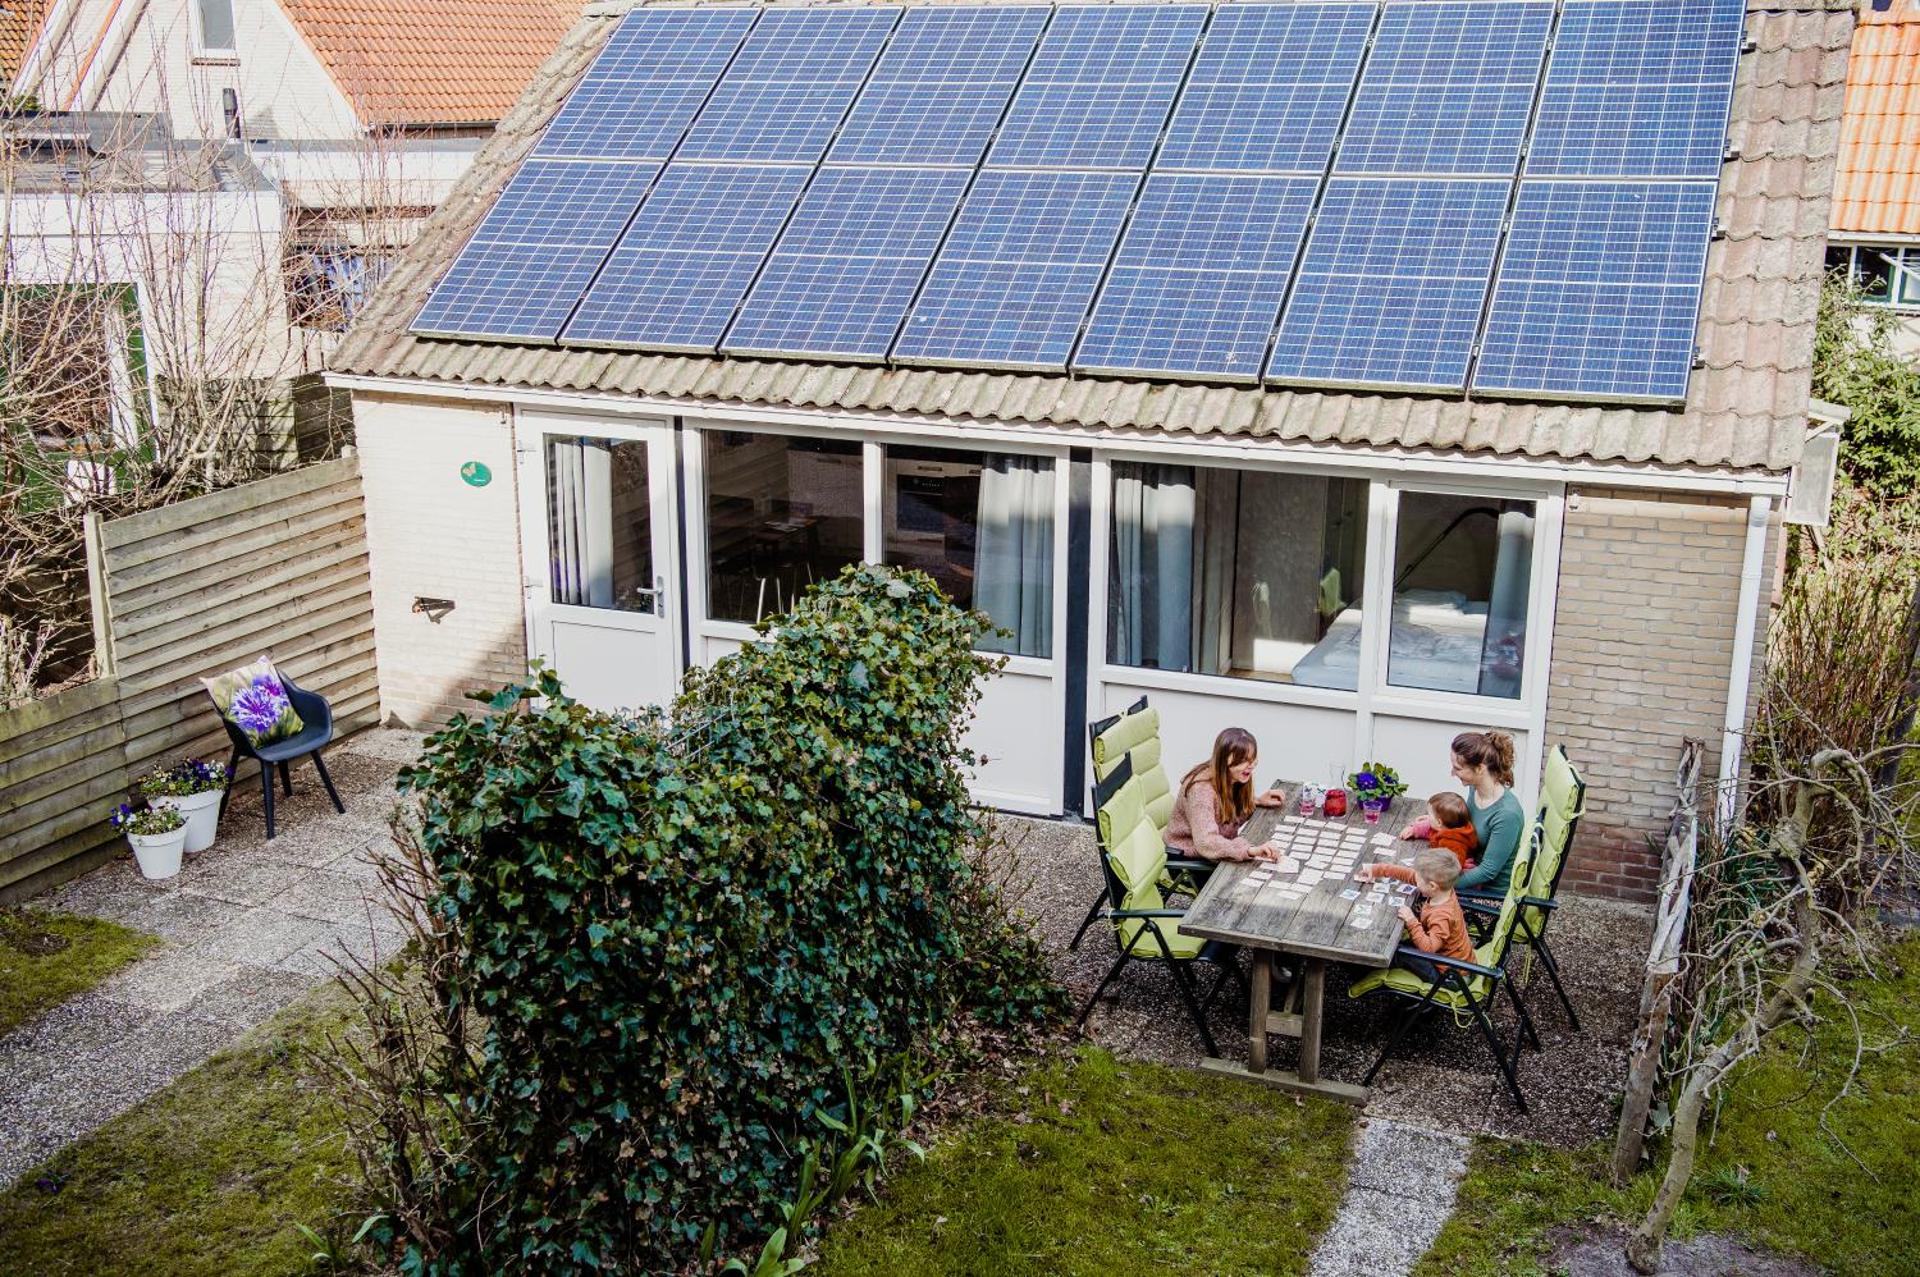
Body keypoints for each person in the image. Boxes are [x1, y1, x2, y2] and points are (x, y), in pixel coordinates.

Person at [1400, 729, 1527, 896]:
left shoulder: (1507, 815)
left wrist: (1439, 883)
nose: (1452, 773)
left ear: (1480, 768)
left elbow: (1487, 871)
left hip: (1487, 895)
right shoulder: (1475, 790)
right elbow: (1464, 825)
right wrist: (1443, 821)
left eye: (1458, 768)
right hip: (1464, 869)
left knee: (1407, 899)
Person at [1166, 727, 1288, 863]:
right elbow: (1207, 842)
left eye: (1253, 759)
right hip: (1189, 860)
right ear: (1224, 761)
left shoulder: (1232, 778)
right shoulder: (1200, 790)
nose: (1250, 766)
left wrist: (1257, 801)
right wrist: (1249, 850)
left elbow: (1229, 821)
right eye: (1243, 761)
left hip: (1217, 851)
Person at [1358, 849, 1474, 983]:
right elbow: (1410, 875)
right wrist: (1377, 869)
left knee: (1398, 953)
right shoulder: (1443, 889)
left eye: (1418, 879)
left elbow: (1429, 948)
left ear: (1432, 886)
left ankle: (1362, 971)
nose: (1415, 878)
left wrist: (1411, 921)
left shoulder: (1442, 916)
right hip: (1454, 961)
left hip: (1450, 976)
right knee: (1400, 945)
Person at [1397, 791, 1479, 872]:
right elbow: (1429, 827)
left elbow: (1452, 867)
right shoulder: (1447, 826)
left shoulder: (1454, 844)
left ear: (1439, 822)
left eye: (1430, 814)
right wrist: (1414, 829)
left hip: (1454, 871)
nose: (1428, 817)